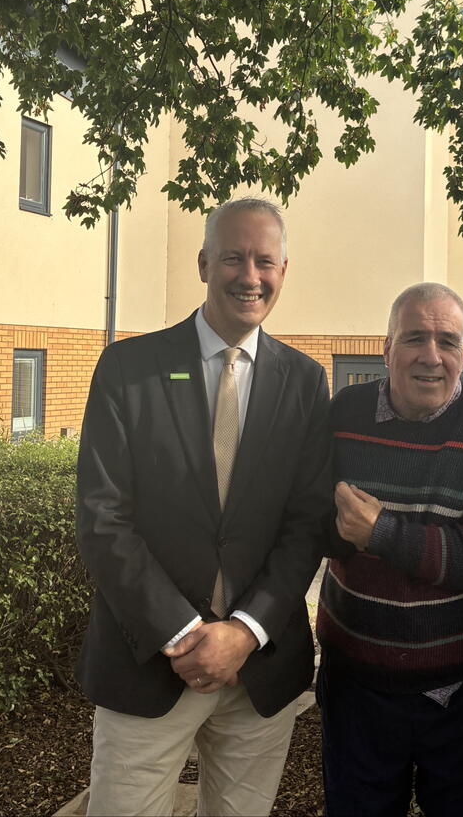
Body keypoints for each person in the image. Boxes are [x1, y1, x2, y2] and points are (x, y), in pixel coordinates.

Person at [74, 197, 331, 817]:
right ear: (202, 263)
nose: (250, 276)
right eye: (234, 258)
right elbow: (103, 518)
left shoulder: (304, 381)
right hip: (149, 667)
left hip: (260, 672)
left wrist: (243, 633)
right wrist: (187, 636)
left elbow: (306, 525)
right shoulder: (129, 368)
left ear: (283, 271)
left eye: (265, 261)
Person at [316, 282, 463, 817]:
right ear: (385, 349)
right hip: (356, 687)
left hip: (461, 692)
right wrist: (338, 525)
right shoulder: (343, 417)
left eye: (447, 341)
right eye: (414, 338)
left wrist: (381, 531)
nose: (431, 356)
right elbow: (311, 525)